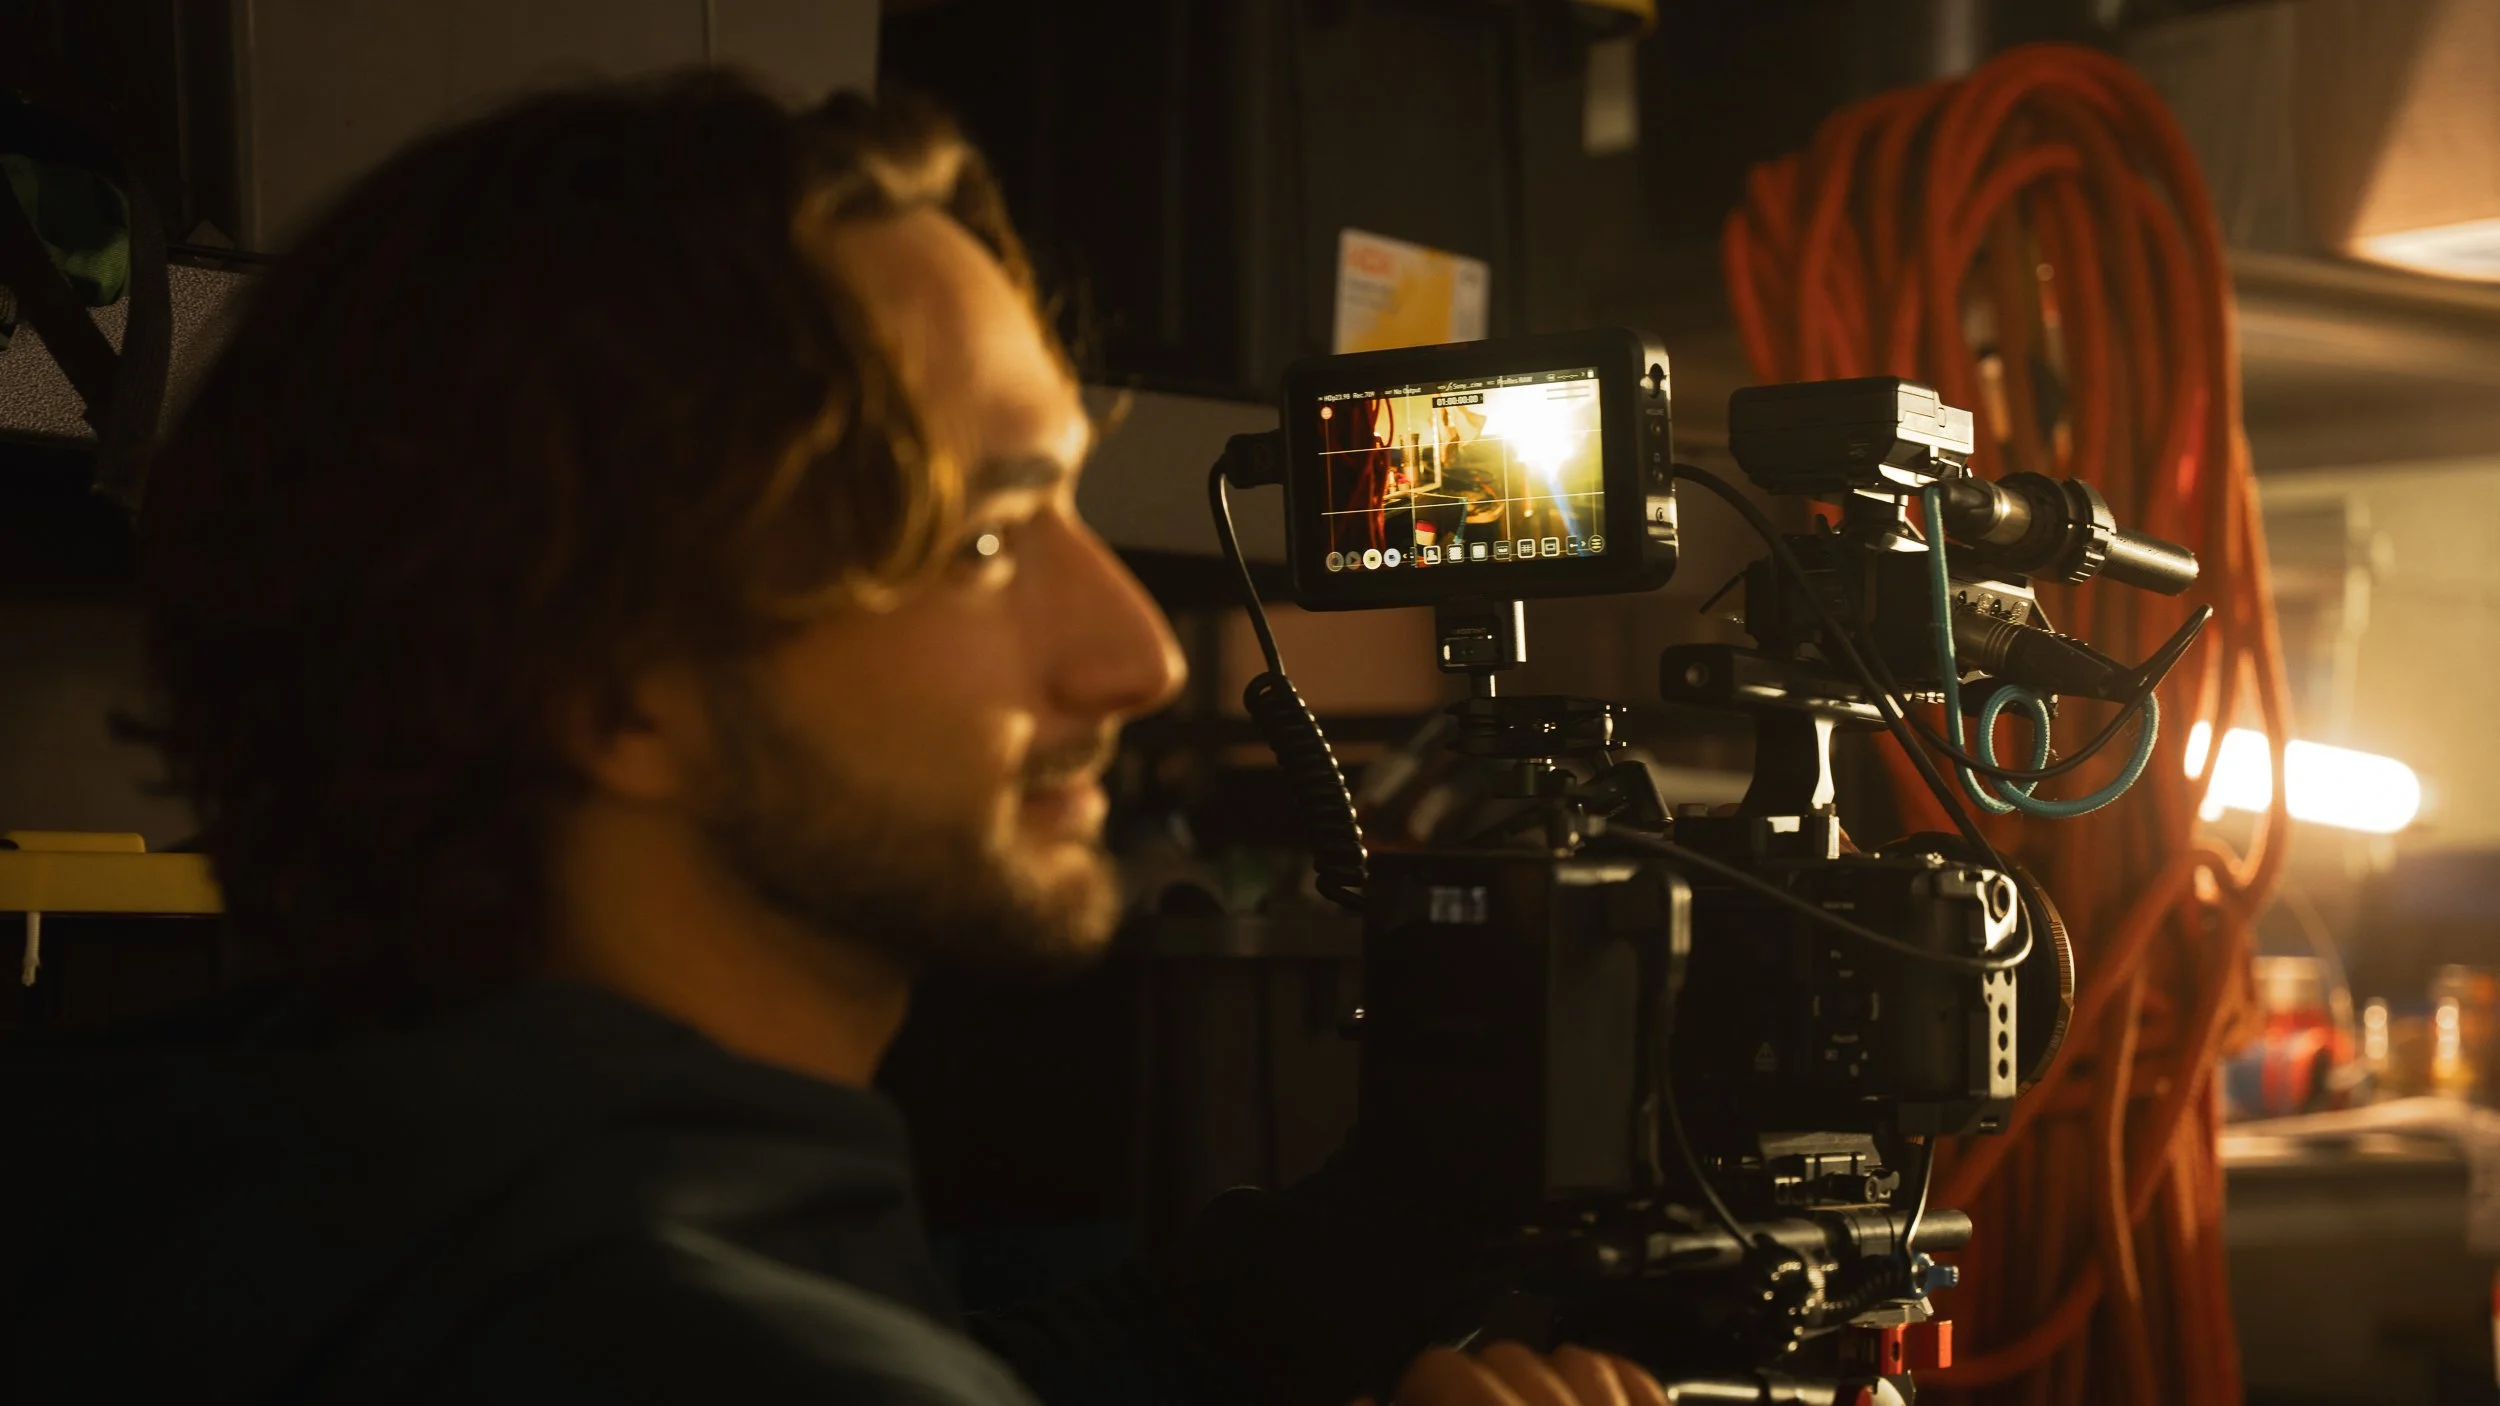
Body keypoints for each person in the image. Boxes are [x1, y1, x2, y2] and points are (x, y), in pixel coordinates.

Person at [0, 73, 1668, 1406]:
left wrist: (1317, 1269)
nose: (1141, 654)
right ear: (618, 683)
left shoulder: (241, 1191)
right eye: (988, 541)